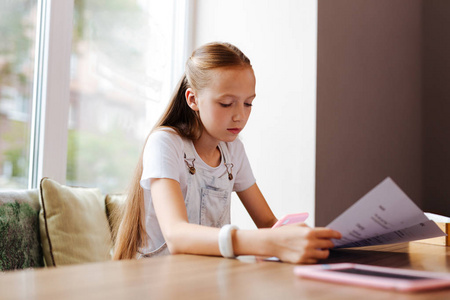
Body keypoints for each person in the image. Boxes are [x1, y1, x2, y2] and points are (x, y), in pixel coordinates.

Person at [113, 42, 341, 264]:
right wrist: (267, 242)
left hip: (204, 277)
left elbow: (267, 222)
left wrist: (303, 240)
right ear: (193, 99)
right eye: (226, 103)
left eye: (248, 103)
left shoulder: (233, 150)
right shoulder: (165, 142)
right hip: (156, 279)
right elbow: (176, 236)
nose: (239, 116)